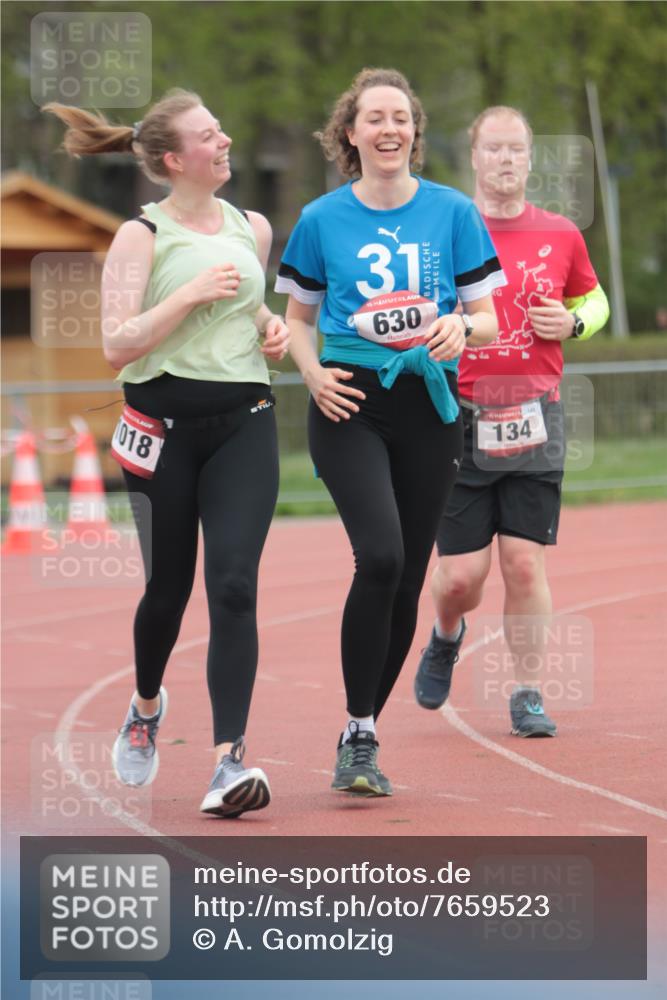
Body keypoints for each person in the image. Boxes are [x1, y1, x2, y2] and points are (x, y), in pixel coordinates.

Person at [44, 90, 289, 816]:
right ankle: (146, 705)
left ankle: (228, 763)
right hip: (161, 431)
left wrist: (271, 329)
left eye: (221, 128)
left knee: (236, 585)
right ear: (175, 161)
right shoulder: (140, 237)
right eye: (208, 135)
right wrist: (184, 296)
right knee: (167, 591)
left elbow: (249, 311)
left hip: (244, 419)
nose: (225, 140)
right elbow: (116, 343)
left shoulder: (253, 226)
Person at [275, 68, 504, 797]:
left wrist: (456, 325)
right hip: (348, 398)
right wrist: (309, 374)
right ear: (350, 132)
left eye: (399, 118)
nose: (388, 129)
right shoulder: (319, 220)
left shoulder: (453, 212)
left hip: (427, 405)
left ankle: (360, 732)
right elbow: (296, 326)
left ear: (414, 130)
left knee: (406, 575)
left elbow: (489, 319)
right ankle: (359, 724)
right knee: (378, 554)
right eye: (373, 117)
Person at [414, 106, 609, 736]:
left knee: (525, 564)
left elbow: (595, 298)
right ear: (473, 157)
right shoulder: (443, 230)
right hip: (458, 416)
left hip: (534, 414)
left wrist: (575, 323)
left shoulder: (561, 233)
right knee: (459, 579)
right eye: (492, 148)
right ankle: (446, 634)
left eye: (516, 149)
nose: (504, 159)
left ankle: (526, 693)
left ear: (529, 159)